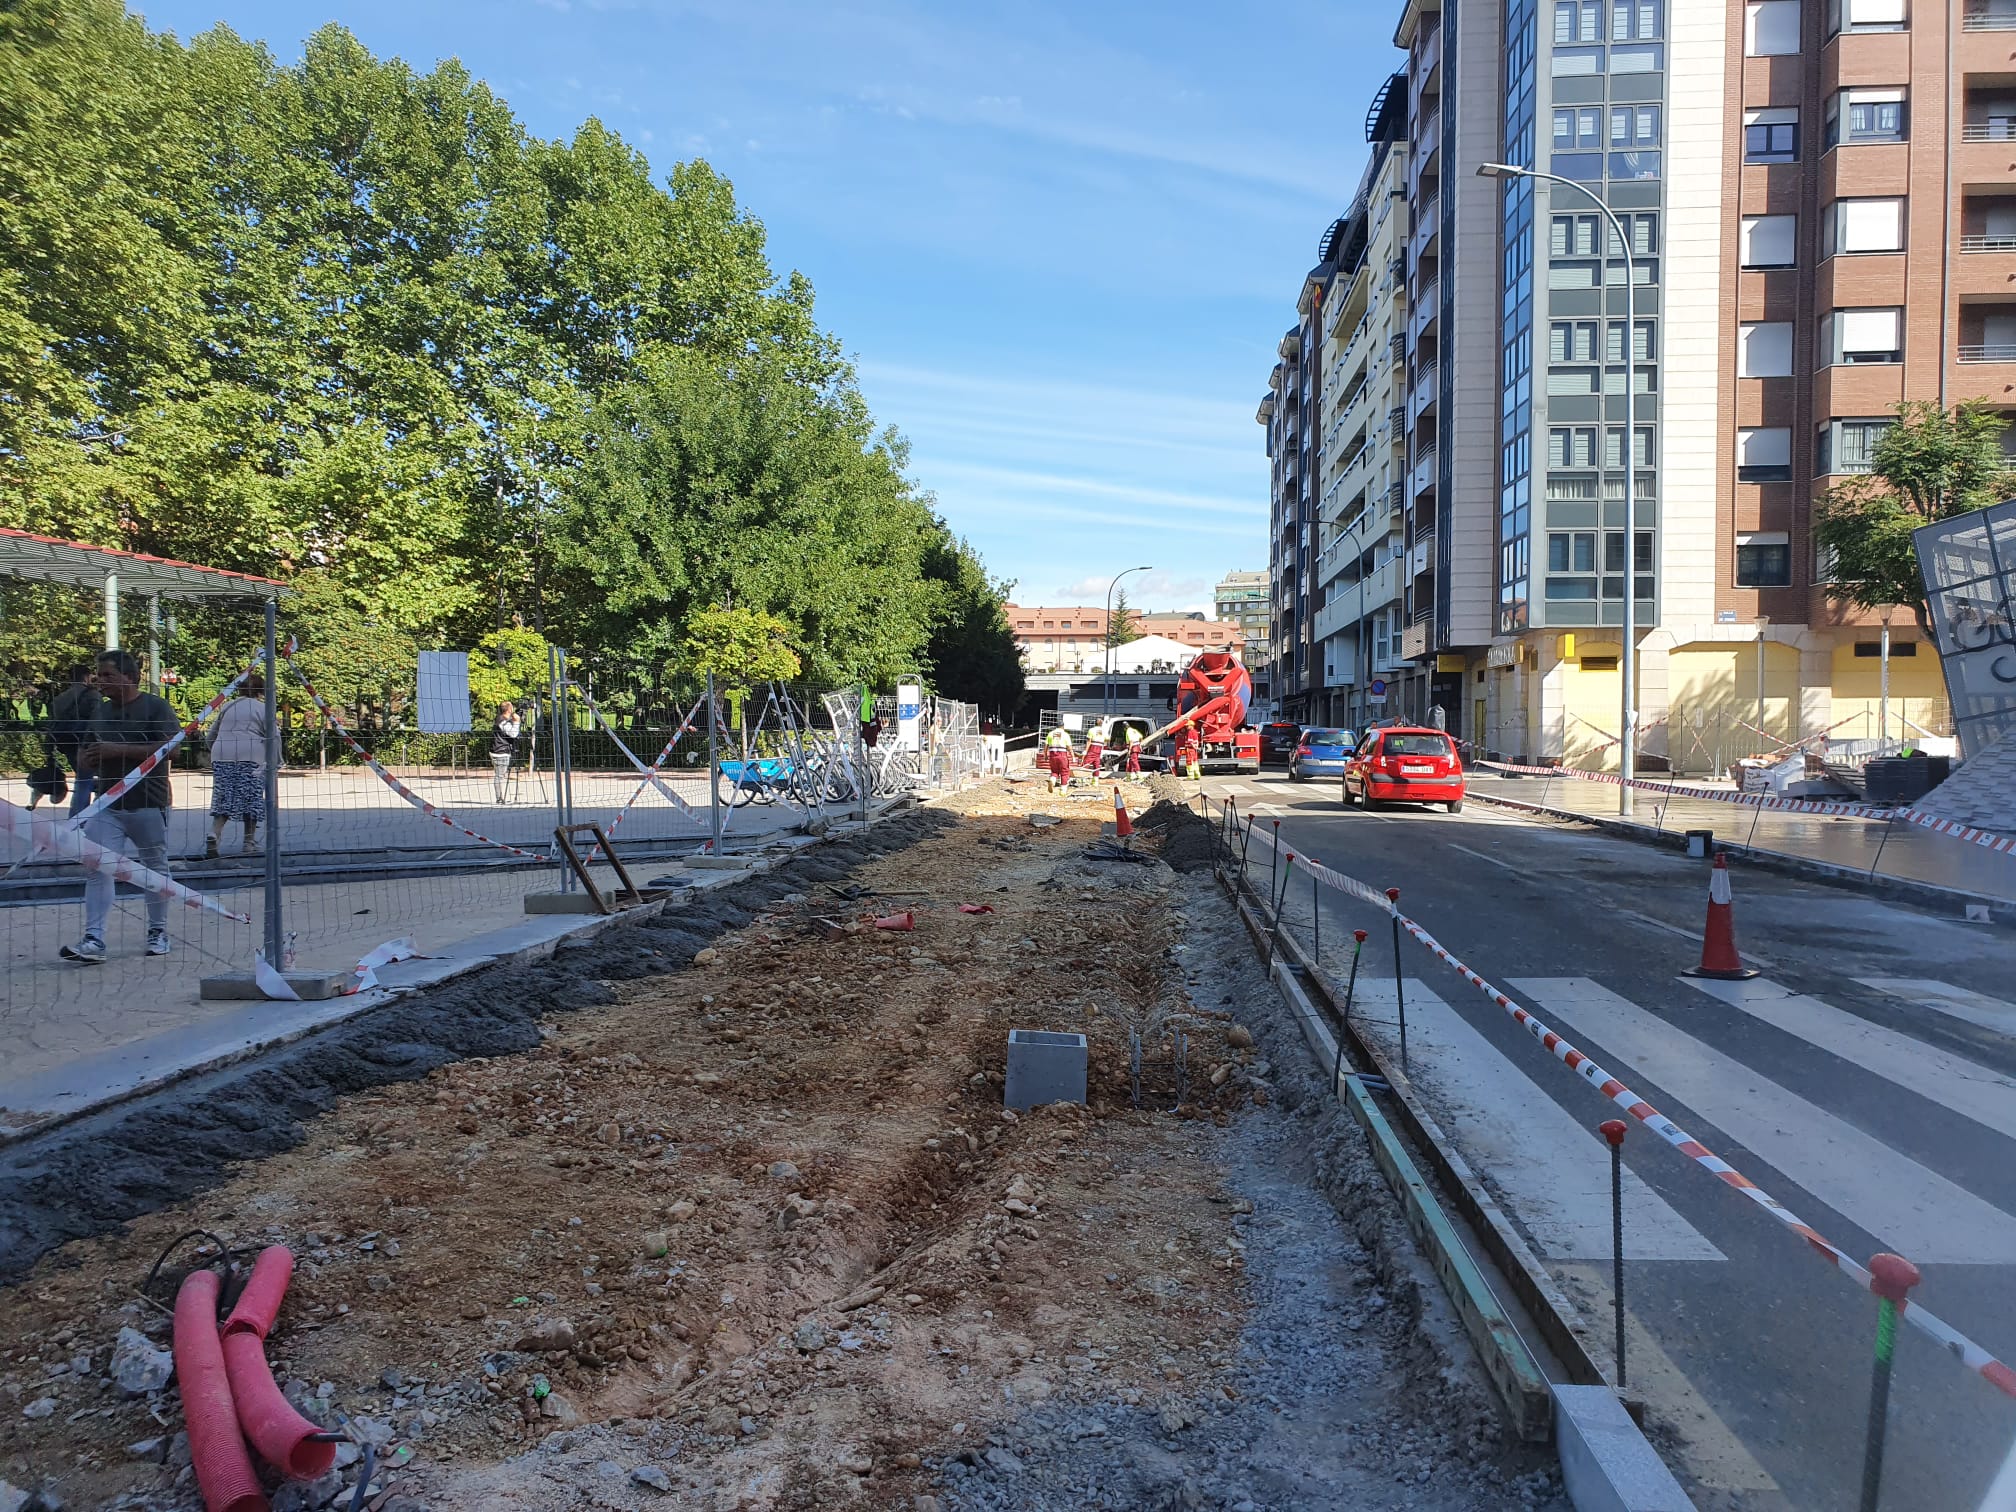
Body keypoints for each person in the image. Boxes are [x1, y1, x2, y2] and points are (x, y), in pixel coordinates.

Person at [62, 649, 179, 963]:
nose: (101, 682)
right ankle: (94, 940)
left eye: (109, 676)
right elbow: (85, 750)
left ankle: (158, 931)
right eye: (99, 675)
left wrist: (120, 750)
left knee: (154, 869)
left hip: (149, 804)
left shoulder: (156, 706)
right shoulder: (99, 711)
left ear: (130, 677)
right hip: (107, 804)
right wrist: (83, 760)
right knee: (97, 866)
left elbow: (173, 750)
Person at [205, 672, 270, 858]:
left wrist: (215, 751)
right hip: (250, 755)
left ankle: (214, 833)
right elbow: (273, 737)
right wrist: (276, 760)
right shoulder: (262, 708)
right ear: (261, 690)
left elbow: (211, 734)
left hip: (222, 753)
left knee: (224, 796)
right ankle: (249, 842)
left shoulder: (228, 706)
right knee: (251, 797)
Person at [49, 663, 100, 816]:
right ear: (86, 676)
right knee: (92, 780)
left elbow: (52, 723)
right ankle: (89, 816)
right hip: (88, 742)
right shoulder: (93, 695)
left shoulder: (59, 699)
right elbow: (99, 720)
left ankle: (78, 817)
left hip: (67, 743)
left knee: (82, 778)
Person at [490, 701, 522, 803]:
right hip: (501, 751)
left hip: (499, 750)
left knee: (499, 775)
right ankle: (499, 798)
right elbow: (513, 734)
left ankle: (500, 797)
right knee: (499, 776)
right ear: (509, 709)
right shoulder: (502, 721)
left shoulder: (500, 719)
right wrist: (516, 722)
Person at [1044, 724, 1074, 792]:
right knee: (1064, 772)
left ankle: (1052, 780)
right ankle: (1063, 790)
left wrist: (1045, 755)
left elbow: (1046, 746)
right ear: (1063, 726)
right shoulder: (1065, 734)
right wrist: (1073, 756)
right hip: (1062, 755)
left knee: (1054, 771)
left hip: (1052, 755)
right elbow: (1069, 747)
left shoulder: (1050, 734)